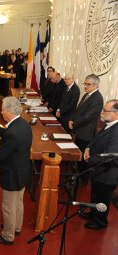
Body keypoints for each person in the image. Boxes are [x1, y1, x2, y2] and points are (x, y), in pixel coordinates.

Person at [0, 96, 32, 245]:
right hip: (22, 172)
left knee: (9, 206)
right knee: (18, 203)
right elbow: (7, 134)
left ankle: (8, 236)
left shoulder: (13, 132)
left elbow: (1, 155)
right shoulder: (22, 124)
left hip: (12, 174)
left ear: (9, 111)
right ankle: (16, 227)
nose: (1, 112)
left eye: (3, 109)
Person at [82, 99, 118, 229]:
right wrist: (88, 148)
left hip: (108, 174)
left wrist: (90, 160)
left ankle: (100, 221)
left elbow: (110, 157)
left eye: (105, 110)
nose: (101, 112)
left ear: (116, 113)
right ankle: (93, 213)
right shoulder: (109, 123)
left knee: (103, 198)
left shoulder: (116, 131)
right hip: (99, 170)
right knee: (95, 194)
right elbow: (96, 139)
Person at [69, 74, 104, 181]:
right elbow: (78, 110)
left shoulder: (97, 98)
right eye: (84, 83)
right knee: (78, 154)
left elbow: (87, 117)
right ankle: (77, 174)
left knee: (84, 157)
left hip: (86, 133)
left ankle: (82, 179)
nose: (85, 86)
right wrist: (71, 119)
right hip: (79, 130)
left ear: (95, 85)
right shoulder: (87, 94)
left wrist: (74, 124)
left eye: (87, 84)